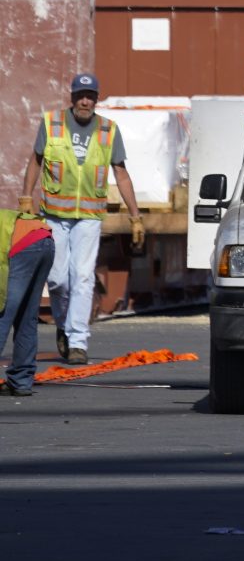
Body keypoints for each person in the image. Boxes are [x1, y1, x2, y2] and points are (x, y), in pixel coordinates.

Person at [18, 74, 143, 365]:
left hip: (89, 216)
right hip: (54, 215)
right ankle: (62, 325)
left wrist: (135, 215)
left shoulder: (109, 130)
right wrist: (26, 197)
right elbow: (36, 160)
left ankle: (77, 342)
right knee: (59, 279)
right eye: (80, 95)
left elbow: (120, 173)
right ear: (72, 97)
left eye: (90, 96)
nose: (85, 101)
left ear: (96, 99)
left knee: (83, 277)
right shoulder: (52, 123)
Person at [0, 197, 54, 396]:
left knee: (3, 311)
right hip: (45, 240)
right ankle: (21, 380)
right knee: (26, 316)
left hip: (24, 246)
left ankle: (21, 379)